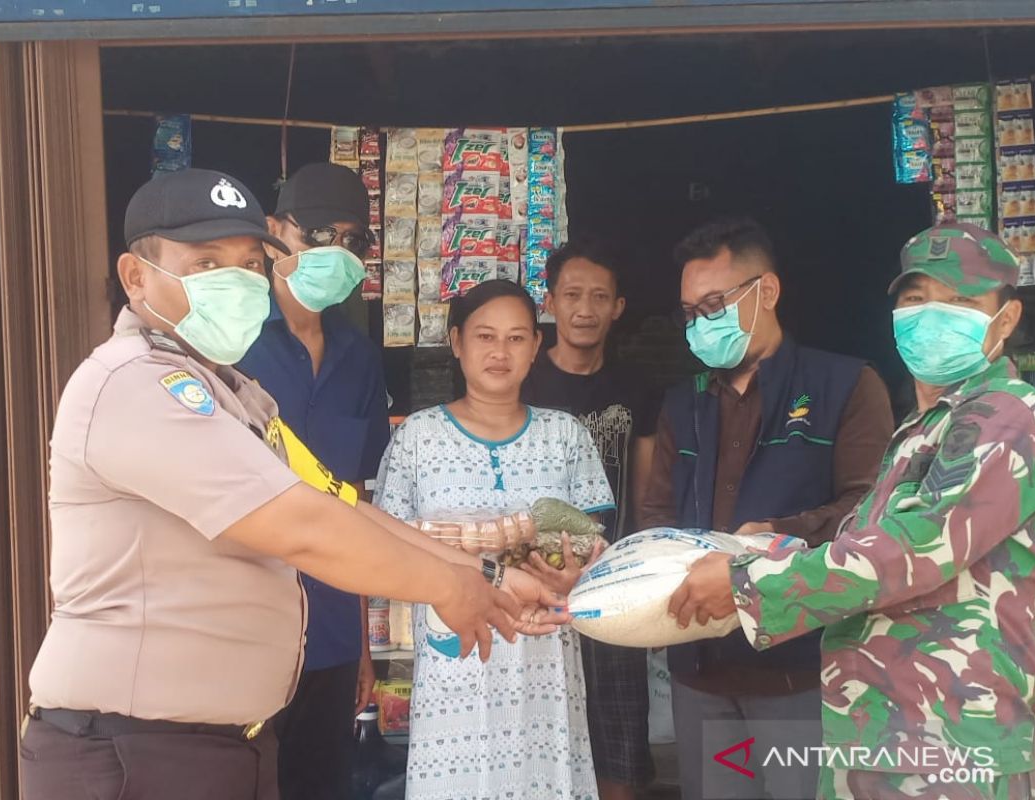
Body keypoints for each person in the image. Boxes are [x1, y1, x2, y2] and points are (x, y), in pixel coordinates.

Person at [20, 169, 564, 800]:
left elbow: (338, 501)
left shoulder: (238, 394)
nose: (238, 280)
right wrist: (448, 586)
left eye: (250, 264)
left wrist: (486, 576)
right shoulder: (136, 384)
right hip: (133, 752)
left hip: (219, 744)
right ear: (137, 277)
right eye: (206, 262)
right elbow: (298, 525)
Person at [668, 223, 1035, 799]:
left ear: (1004, 320)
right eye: (916, 299)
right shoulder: (923, 428)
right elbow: (867, 546)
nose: (933, 315)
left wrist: (743, 585)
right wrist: (776, 547)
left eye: (960, 301)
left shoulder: (1007, 418)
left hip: (951, 744)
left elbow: (910, 550)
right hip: (882, 736)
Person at [638, 217, 894, 800]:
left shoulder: (846, 386)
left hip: (803, 671)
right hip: (701, 672)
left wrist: (770, 539)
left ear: (767, 292)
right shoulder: (685, 403)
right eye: (689, 312)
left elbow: (870, 514)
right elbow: (656, 518)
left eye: (714, 304)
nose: (701, 322)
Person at [375, 279, 616, 800]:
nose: (500, 352)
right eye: (485, 337)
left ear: (535, 346)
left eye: (515, 338)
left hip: (545, 659)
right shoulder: (417, 439)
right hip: (453, 660)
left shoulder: (565, 434)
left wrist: (575, 570)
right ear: (457, 342)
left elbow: (596, 536)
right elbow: (386, 543)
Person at [237, 162, 388, 800]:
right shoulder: (230, 345)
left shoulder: (359, 360)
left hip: (327, 628)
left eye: (355, 242)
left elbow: (353, 504)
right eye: (322, 232)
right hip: (240, 626)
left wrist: (359, 640)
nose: (338, 253)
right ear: (276, 232)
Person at [521, 238, 661, 800]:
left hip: (613, 588)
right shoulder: (522, 384)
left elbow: (647, 493)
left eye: (599, 296)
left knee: (618, 740)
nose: (585, 308)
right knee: (537, 733)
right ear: (549, 301)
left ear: (618, 308)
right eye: (572, 294)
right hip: (532, 587)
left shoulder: (636, 390)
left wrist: (636, 566)